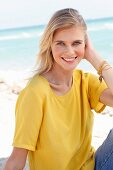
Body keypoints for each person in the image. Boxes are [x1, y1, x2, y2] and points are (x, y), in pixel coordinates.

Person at [4, 8, 113, 170]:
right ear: (49, 45)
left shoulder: (85, 81)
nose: (69, 51)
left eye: (76, 43)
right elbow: (17, 158)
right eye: (60, 43)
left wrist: (94, 57)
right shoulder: (35, 93)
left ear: (85, 45)